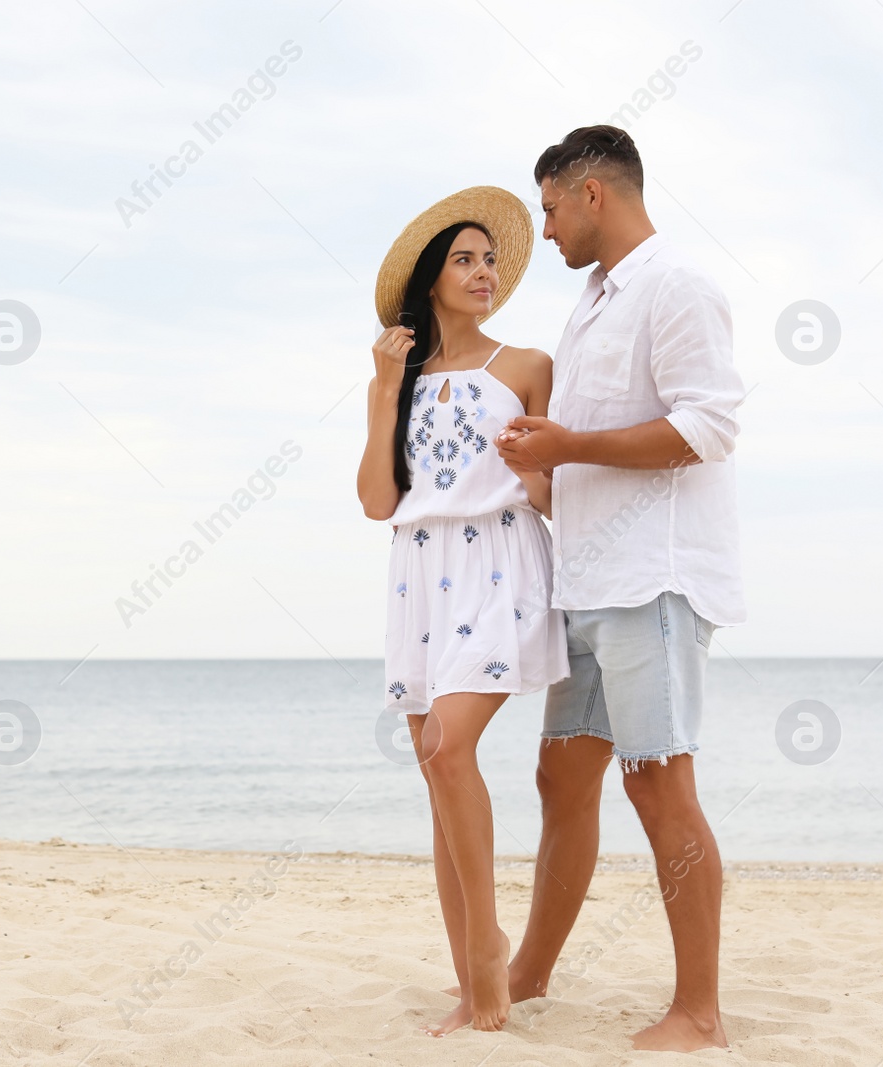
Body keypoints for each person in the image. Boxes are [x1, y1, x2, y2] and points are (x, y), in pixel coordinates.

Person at [496, 125, 746, 1053]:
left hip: (658, 580)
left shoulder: (676, 283)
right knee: (560, 775)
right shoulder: (593, 301)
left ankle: (700, 1012)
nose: (547, 231)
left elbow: (709, 428)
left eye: (552, 209)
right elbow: (588, 453)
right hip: (588, 578)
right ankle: (529, 972)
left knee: (659, 784)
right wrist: (536, 467)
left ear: (592, 193)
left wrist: (567, 445)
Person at [358, 186, 568, 1035]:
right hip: (417, 569)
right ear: (431, 280)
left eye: (489, 260)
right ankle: (468, 973)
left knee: (448, 750)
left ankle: (490, 961)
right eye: (465, 260)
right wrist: (381, 390)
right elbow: (377, 499)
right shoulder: (397, 379)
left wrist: (536, 460)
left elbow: (551, 492)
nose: (484, 274)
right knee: (436, 774)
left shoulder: (524, 366)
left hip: (498, 560)